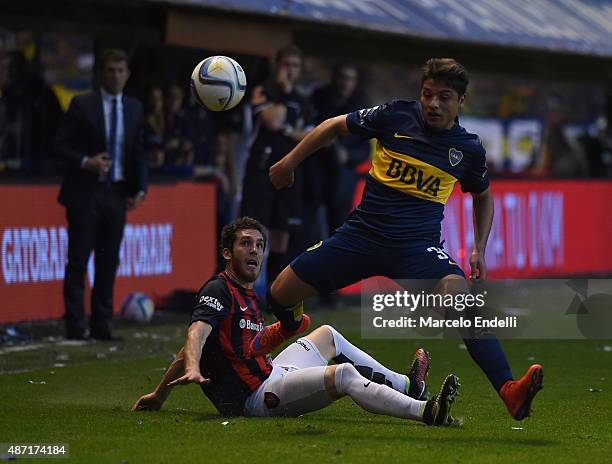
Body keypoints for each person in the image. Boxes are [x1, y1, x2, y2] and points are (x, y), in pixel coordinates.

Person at [265, 58, 543, 421]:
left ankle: (509, 390)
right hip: (361, 237)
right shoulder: (395, 116)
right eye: (428, 95)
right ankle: (290, 325)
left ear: (461, 100)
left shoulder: (468, 149)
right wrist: (289, 162)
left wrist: (479, 247)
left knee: (462, 301)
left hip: (417, 249)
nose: (433, 104)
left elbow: (483, 195)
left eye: (444, 97)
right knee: (279, 294)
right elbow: (335, 126)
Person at [132, 217, 460, 425]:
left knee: (327, 334)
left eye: (259, 245)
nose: (255, 251)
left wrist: (160, 394)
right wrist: (192, 367)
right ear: (227, 253)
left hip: (272, 372)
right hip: (255, 399)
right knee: (343, 375)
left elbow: (239, 346)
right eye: (245, 243)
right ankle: (425, 412)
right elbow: (196, 335)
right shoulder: (218, 289)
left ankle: (408, 386)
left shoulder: (245, 293)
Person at [54, 49, 147, 340]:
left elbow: (138, 151)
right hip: (85, 191)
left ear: (127, 74)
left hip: (116, 194)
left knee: (109, 261)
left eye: (121, 70)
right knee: (78, 259)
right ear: (101, 73)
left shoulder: (133, 108)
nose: (116, 76)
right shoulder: (83, 105)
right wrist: (86, 162)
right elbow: (59, 145)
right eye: (110, 70)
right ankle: (74, 323)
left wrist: (139, 188)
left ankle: (102, 323)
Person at [240, 45, 314, 285]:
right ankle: (244, 292)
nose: (290, 71)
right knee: (254, 232)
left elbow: (311, 138)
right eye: (286, 65)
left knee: (283, 233)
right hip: (261, 170)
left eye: (294, 66)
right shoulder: (264, 91)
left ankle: (274, 297)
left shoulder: (303, 101)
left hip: (291, 173)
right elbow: (273, 121)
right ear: (277, 66)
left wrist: (289, 131)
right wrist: (281, 97)